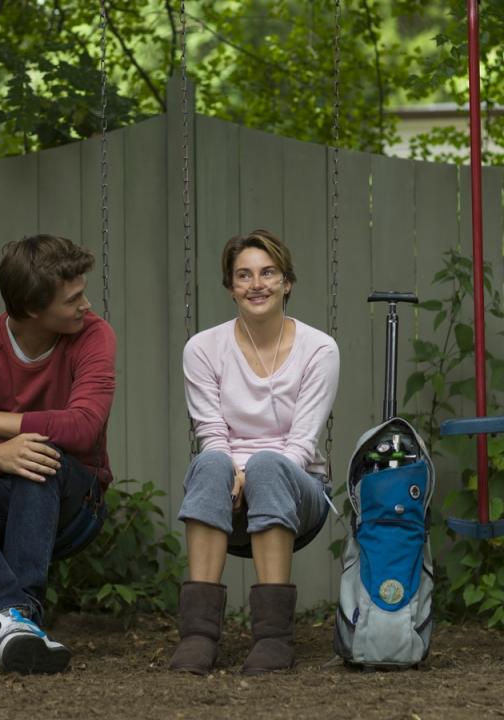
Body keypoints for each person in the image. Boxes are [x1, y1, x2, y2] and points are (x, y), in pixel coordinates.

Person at [0, 234, 116, 675]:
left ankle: (14, 624)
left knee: (38, 455)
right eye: (72, 300)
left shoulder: (93, 335)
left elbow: (84, 426)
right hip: (3, 497)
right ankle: (16, 626)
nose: (85, 305)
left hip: (76, 504)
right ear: (34, 309)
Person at [169, 229, 340, 676]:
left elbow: (301, 445)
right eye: (243, 275)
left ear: (287, 282)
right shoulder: (202, 349)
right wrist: (234, 474)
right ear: (230, 288)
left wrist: (249, 473)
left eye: (268, 273)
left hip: (300, 491)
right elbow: (212, 435)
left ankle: (273, 638)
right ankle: (198, 636)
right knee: (210, 462)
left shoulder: (319, 349)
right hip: (227, 489)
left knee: (268, 464)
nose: (256, 284)